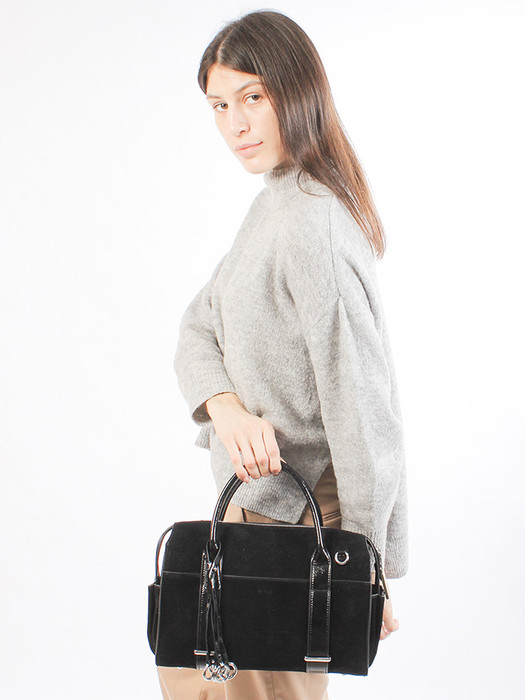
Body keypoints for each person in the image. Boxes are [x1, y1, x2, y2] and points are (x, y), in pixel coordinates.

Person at [158, 9, 409, 700]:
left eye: (252, 97)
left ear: (296, 92)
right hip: (253, 512)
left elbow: (364, 413)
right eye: (218, 105)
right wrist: (227, 408)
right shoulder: (275, 204)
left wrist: (363, 565)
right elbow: (196, 327)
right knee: (199, 678)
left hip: (296, 523)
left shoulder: (311, 223)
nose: (234, 124)